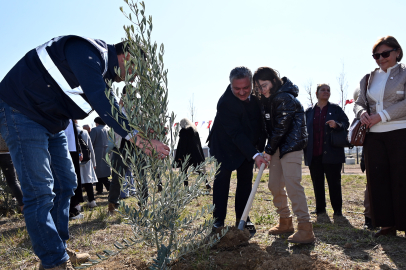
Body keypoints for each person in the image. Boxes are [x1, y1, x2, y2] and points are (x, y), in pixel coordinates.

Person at [0, 35, 169, 269]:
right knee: (39, 191)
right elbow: (102, 100)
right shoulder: (86, 51)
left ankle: (58, 247)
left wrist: (142, 130)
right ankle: (54, 261)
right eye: (135, 70)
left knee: (67, 182)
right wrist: (140, 140)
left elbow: (111, 103)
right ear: (127, 56)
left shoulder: (101, 73)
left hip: (53, 120)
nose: (133, 78)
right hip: (22, 112)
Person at [253, 67, 315, 244]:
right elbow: (268, 129)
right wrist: (267, 149)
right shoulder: (267, 100)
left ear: (274, 81)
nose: (261, 90)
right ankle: (285, 221)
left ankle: (305, 227)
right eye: (258, 87)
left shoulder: (284, 98)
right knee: (274, 185)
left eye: (264, 85)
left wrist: (268, 150)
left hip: (291, 146)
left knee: (292, 184)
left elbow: (281, 127)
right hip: (277, 147)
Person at [354, 35, 406, 238]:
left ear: (397, 53)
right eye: (376, 55)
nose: (380, 58)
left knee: (402, 179)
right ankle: (386, 226)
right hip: (373, 136)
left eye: (385, 53)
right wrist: (362, 113)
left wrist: (381, 116)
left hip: (400, 133)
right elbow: (359, 102)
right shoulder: (368, 78)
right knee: (377, 180)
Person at [207, 66, 267, 234]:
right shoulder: (225, 102)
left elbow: (260, 125)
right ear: (230, 85)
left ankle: (243, 218)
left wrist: (260, 149)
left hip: (247, 147)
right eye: (237, 88)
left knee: (245, 183)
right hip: (224, 146)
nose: (242, 92)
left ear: (252, 84)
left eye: (246, 88)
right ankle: (218, 221)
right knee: (222, 182)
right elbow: (235, 133)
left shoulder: (257, 98)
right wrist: (254, 154)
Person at [303, 84, 349, 217]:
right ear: (316, 93)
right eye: (323, 90)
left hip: (332, 154)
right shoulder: (309, 111)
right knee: (317, 183)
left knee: (334, 182)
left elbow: (346, 123)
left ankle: (337, 210)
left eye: (328, 90)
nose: (326, 92)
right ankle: (320, 209)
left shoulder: (336, 109)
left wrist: (337, 125)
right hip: (314, 153)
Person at [175, 118, 211, 189]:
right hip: (195, 155)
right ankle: (207, 184)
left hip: (186, 156)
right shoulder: (195, 131)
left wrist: (180, 156)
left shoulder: (184, 131)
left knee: (184, 172)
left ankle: (186, 188)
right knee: (198, 170)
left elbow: (183, 145)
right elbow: (198, 144)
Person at [64, 120, 85, 220]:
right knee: (66, 179)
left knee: (74, 178)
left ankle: (74, 205)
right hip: (63, 149)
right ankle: (69, 210)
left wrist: (79, 151)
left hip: (73, 151)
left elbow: (74, 136)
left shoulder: (71, 118)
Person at [75, 121, 98, 209]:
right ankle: (92, 201)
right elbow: (90, 148)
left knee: (77, 182)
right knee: (88, 181)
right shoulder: (84, 132)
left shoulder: (66, 131)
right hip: (87, 160)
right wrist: (94, 163)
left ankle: (77, 204)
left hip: (75, 159)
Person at [90, 117, 111, 195]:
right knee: (103, 171)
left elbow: (91, 142)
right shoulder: (107, 130)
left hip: (97, 151)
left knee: (98, 171)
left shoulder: (95, 130)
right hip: (106, 151)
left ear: (97, 122)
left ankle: (106, 187)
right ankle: (100, 189)